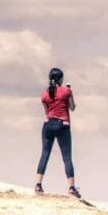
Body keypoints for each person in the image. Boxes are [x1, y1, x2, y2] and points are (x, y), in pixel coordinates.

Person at [34, 67, 81, 198]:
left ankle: (38, 185)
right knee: (67, 157)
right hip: (63, 125)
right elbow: (72, 108)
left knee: (45, 154)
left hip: (48, 124)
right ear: (60, 79)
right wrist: (70, 93)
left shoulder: (44, 94)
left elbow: (47, 113)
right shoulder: (66, 91)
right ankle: (71, 188)